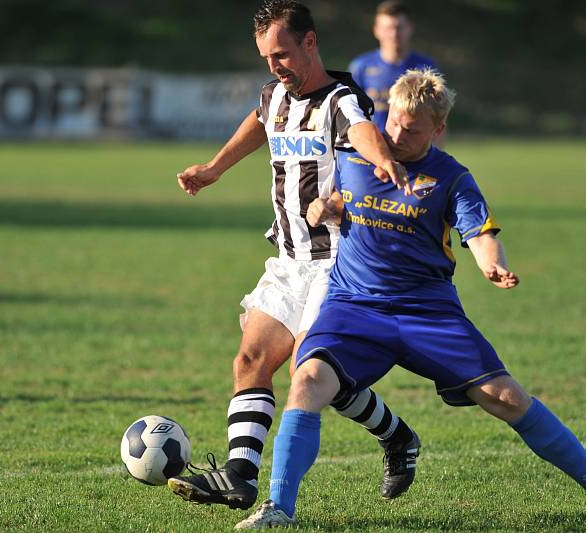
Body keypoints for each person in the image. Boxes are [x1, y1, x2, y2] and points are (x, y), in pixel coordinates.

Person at [235, 68, 586, 531]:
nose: (396, 134)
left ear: (438, 129)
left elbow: (480, 232)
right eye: (393, 121)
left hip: (427, 312)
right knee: (308, 379)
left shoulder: (451, 177)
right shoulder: (355, 155)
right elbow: (330, 198)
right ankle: (278, 509)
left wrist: (491, 263)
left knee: (508, 398)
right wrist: (324, 207)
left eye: (412, 129)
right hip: (355, 306)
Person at [168, 0, 422, 510]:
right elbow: (260, 121)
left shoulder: (342, 98)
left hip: (338, 264)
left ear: (310, 42)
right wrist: (216, 167)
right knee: (249, 360)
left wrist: (383, 161)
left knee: (309, 372)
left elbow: (362, 130)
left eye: (282, 54)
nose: (275, 66)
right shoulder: (273, 95)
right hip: (287, 262)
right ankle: (240, 478)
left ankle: (396, 436)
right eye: (266, 57)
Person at [349, 1, 438, 131]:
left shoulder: (426, 68)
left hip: (411, 149)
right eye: (388, 28)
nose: (394, 34)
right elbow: (350, 115)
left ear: (410, 28)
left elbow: (437, 117)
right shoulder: (361, 67)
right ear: (376, 30)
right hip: (372, 147)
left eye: (399, 27)